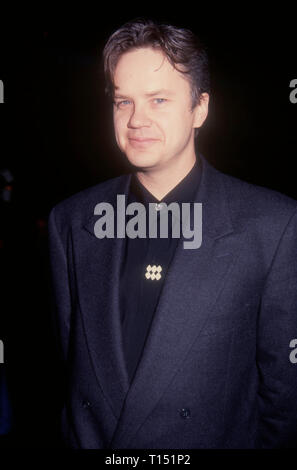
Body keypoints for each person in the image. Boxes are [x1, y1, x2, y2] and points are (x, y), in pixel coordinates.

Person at [48, 19, 297, 449]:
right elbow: (71, 374)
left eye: (158, 99)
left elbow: (284, 395)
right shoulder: (70, 221)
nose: (135, 120)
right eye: (122, 101)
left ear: (200, 108)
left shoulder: (273, 225)